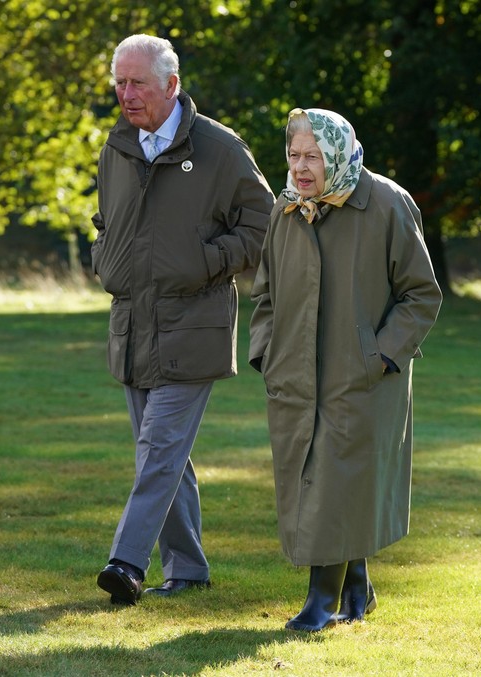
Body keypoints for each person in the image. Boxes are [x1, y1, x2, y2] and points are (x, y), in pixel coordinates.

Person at [90, 34, 274, 605]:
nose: (125, 94)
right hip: (132, 327)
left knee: (160, 450)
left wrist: (205, 261)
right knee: (167, 458)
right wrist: (105, 257)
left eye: (137, 82)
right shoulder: (116, 148)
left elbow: (265, 227)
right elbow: (107, 221)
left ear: (172, 85)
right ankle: (189, 569)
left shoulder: (220, 149)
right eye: (119, 82)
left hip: (193, 325)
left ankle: (125, 563)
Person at [249, 108, 442, 631]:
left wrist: (379, 355)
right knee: (318, 483)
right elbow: (264, 291)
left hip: (359, 377)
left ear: (336, 150)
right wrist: (265, 349)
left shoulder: (385, 203)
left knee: (333, 482)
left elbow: (421, 294)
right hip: (293, 374)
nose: (302, 167)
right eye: (294, 155)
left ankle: (321, 603)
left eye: (312, 155)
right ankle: (358, 588)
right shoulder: (286, 208)